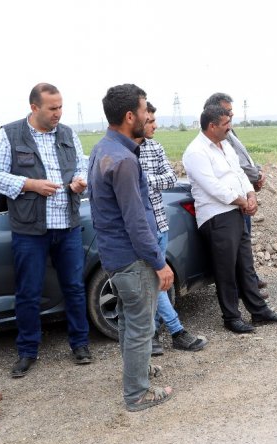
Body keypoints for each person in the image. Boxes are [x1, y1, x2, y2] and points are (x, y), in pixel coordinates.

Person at [0, 83, 92, 378]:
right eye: (52, 108)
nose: (58, 113)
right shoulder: (10, 133)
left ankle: (80, 344)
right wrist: (30, 185)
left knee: (74, 287)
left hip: (67, 225)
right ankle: (28, 351)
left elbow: (81, 166)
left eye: (60, 107)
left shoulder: (68, 133)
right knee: (29, 292)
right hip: (30, 229)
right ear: (35, 107)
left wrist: (80, 181)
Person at [88, 84, 174, 412]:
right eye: (143, 111)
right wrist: (158, 262)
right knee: (140, 325)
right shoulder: (123, 160)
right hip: (132, 258)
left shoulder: (103, 148)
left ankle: (135, 371)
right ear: (129, 116)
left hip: (113, 255)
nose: (147, 116)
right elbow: (136, 220)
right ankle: (137, 393)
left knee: (127, 318)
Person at [182, 105, 277, 333]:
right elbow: (213, 187)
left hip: (236, 211)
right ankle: (231, 318)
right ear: (212, 126)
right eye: (225, 124)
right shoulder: (196, 152)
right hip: (217, 215)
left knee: (245, 265)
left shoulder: (225, 146)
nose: (230, 128)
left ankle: (259, 312)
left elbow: (239, 173)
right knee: (226, 269)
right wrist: (242, 201)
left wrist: (251, 194)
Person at [136, 102, 207, 355]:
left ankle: (154, 335)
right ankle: (177, 331)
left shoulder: (155, 147)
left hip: (159, 224)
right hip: (139, 229)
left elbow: (169, 179)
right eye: (150, 121)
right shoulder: (123, 152)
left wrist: (141, 179)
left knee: (158, 283)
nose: (155, 125)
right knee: (156, 282)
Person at [203, 92, 268, 296]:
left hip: (242, 198)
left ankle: (249, 285)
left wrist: (256, 175)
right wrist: (250, 188)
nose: (231, 116)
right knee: (234, 253)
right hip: (228, 207)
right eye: (227, 112)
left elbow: (242, 162)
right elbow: (221, 180)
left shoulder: (229, 134)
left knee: (244, 248)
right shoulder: (203, 147)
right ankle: (242, 291)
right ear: (214, 116)